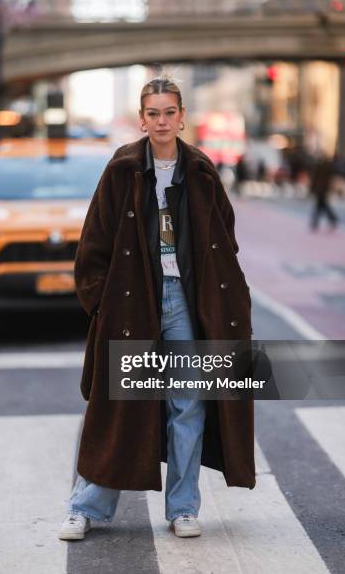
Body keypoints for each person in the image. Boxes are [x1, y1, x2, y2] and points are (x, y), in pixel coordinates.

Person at [59, 73, 255, 541]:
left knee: (187, 407)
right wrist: (101, 304)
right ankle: (85, 507)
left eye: (170, 112)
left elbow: (224, 241)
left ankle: (183, 508)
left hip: (186, 305)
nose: (162, 121)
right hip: (134, 305)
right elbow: (94, 242)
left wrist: (226, 303)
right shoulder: (122, 168)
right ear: (142, 119)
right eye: (154, 113)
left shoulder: (203, 172)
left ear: (182, 118)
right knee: (119, 405)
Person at [309, 153, 338, 231]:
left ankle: (330, 219)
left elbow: (315, 179)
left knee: (321, 205)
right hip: (322, 189)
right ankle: (330, 219)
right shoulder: (326, 167)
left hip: (321, 189)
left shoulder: (321, 167)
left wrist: (311, 188)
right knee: (321, 205)